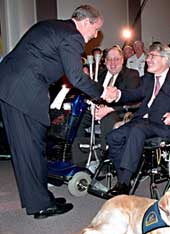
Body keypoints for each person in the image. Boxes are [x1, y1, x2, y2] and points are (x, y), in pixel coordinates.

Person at [0, 5, 117, 219]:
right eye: (96, 28)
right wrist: (102, 92)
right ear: (86, 22)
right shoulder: (72, 36)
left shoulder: (52, 26)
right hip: (23, 90)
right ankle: (42, 205)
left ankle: (39, 199)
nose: (96, 35)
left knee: (27, 148)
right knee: (31, 148)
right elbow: (76, 77)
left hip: (11, 87)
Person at [106, 43, 170, 196]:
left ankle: (123, 183)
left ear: (164, 59)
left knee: (137, 130)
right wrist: (117, 94)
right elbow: (133, 93)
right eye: (148, 56)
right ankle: (124, 177)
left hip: (164, 125)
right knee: (113, 137)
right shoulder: (148, 79)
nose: (147, 59)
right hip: (143, 122)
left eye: (151, 56)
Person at [72, 45, 140, 165]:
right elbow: (91, 93)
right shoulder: (99, 73)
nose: (113, 63)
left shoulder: (131, 74)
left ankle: (106, 159)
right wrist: (94, 106)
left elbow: (132, 99)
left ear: (122, 60)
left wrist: (109, 109)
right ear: (105, 61)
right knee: (78, 116)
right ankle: (80, 159)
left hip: (119, 112)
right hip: (97, 110)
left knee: (108, 119)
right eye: (109, 59)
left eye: (116, 59)